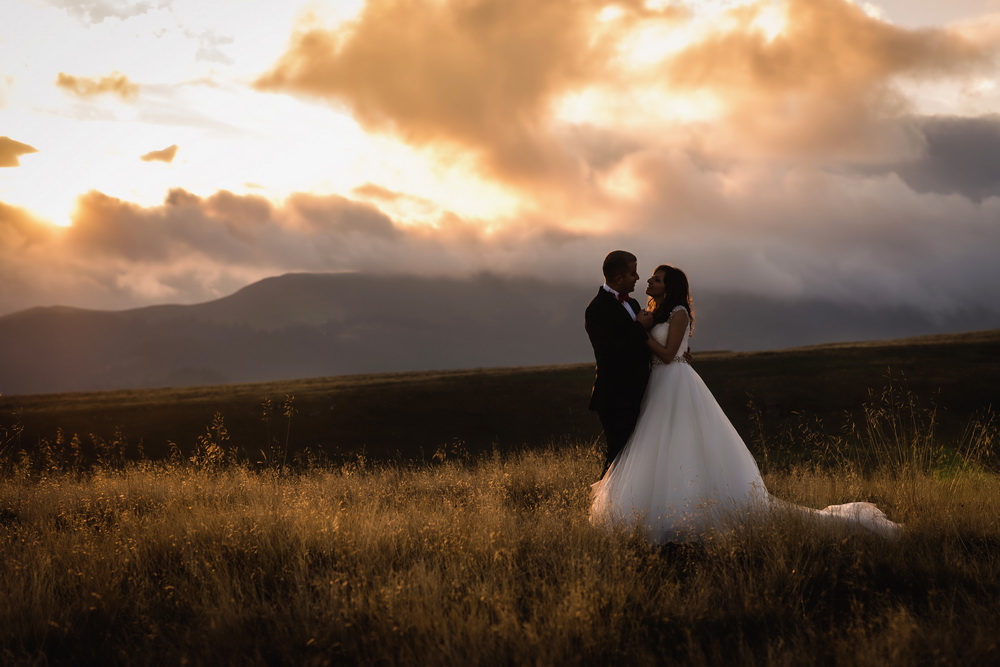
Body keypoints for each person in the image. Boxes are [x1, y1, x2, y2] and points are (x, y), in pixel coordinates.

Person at [590, 264, 901, 542]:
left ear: (669, 287)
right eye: (648, 277)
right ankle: (656, 510)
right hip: (657, 386)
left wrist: (644, 334)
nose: (648, 280)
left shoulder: (678, 312)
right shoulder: (651, 310)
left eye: (656, 279)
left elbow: (669, 353)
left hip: (674, 384)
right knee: (656, 444)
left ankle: (688, 513)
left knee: (680, 443)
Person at [585, 251, 655, 473]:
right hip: (615, 396)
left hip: (638, 392)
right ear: (618, 278)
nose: (638, 277)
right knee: (619, 453)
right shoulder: (596, 309)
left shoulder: (633, 304)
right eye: (633, 273)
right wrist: (638, 327)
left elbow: (641, 345)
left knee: (636, 453)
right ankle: (604, 503)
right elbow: (609, 351)